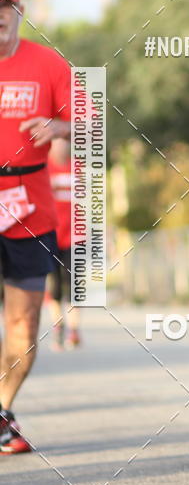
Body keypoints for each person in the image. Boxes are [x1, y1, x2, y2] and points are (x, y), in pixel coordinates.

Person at [0, 0, 71, 453]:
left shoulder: (48, 63)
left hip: (29, 205)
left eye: (6, 6)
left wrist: (59, 125)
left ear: (20, 12)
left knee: (24, 324)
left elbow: (93, 119)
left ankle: (3, 408)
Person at [47, 138, 81, 350]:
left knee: (74, 285)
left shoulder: (77, 168)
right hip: (51, 236)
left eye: (64, 143)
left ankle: (74, 330)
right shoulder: (44, 168)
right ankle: (58, 327)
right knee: (55, 287)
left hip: (75, 237)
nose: (61, 147)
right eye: (57, 143)